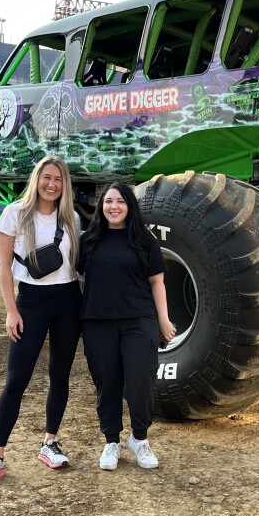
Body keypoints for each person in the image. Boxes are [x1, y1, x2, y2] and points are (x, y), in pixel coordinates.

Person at [0, 155, 82, 487]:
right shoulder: (15, 214)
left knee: (59, 375)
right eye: (46, 177)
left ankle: (49, 442)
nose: (52, 184)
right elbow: (4, 267)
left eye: (59, 179)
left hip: (68, 300)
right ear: (37, 179)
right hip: (31, 302)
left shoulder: (72, 218)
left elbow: (78, 265)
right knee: (16, 379)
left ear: (65, 185)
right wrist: (11, 311)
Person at [77, 182, 177, 470]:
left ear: (130, 206)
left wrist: (164, 320)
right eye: (108, 201)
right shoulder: (89, 240)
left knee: (140, 382)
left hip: (139, 320)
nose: (114, 206)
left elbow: (157, 282)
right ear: (101, 206)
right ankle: (111, 441)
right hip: (98, 321)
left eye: (120, 201)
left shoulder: (144, 241)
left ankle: (139, 439)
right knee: (106, 383)